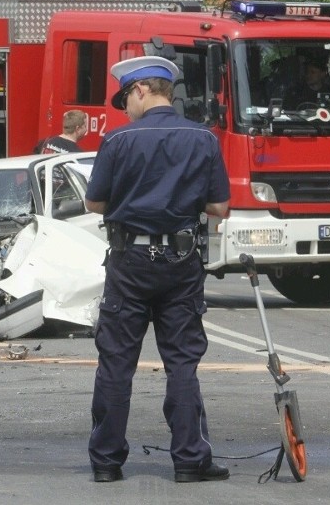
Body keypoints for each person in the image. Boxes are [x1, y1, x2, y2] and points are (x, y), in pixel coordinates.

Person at [85, 56, 231, 483]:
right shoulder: (203, 139)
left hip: (129, 263)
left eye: (125, 99)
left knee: (116, 363)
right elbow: (219, 207)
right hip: (182, 263)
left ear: (140, 90)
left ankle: (107, 463)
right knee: (182, 363)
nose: (124, 110)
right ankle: (189, 460)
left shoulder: (117, 141)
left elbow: (95, 203)